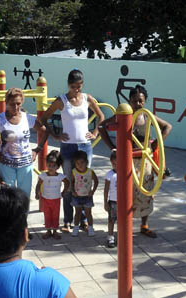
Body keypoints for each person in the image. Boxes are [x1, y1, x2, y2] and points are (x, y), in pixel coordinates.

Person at [99, 85, 172, 238]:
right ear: (129, 101)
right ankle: (126, 228)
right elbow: (101, 126)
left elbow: (167, 127)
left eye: (140, 101)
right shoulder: (124, 115)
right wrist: (113, 147)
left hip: (144, 161)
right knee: (127, 194)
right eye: (134, 101)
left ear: (145, 101)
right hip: (127, 161)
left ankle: (144, 225)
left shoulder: (147, 116)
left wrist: (154, 145)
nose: (137, 104)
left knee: (146, 192)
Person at [36, 69, 105, 232]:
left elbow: (101, 116)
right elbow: (44, 118)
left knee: (84, 182)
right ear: (68, 85)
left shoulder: (87, 98)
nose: (77, 90)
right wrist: (55, 135)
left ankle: (82, 219)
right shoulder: (62, 100)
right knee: (68, 183)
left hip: (85, 146)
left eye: (79, 86)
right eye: (74, 86)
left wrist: (95, 132)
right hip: (67, 147)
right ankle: (67, 220)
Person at [0, 87, 46, 198]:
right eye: (12, 104)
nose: (16, 107)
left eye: (18, 103)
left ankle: (23, 216)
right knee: (7, 197)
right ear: (6, 102)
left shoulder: (27, 118)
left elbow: (45, 131)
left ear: (22, 103)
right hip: (6, 164)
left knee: (24, 197)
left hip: (26, 164)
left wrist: (37, 150)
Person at [35, 150, 69, 239]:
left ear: (57, 167)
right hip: (45, 199)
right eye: (49, 165)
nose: (51, 168)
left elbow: (67, 182)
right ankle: (48, 231)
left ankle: (55, 231)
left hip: (56, 200)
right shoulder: (43, 175)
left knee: (55, 215)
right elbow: (38, 184)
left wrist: (64, 191)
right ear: (46, 165)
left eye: (53, 166)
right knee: (47, 215)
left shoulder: (60, 176)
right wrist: (37, 193)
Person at [70, 150, 98, 237]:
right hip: (77, 197)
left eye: (82, 162)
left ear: (86, 162)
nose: (80, 165)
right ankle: (76, 227)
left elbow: (96, 181)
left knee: (88, 213)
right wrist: (73, 191)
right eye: (77, 163)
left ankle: (90, 227)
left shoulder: (90, 172)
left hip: (87, 196)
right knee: (77, 213)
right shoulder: (74, 172)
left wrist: (92, 191)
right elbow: (71, 182)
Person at [103, 150, 118, 248]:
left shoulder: (127, 173)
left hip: (124, 202)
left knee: (122, 221)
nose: (116, 165)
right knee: (111, 220)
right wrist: (105, 202)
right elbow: (106, 190)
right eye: (113, 164)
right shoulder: (109, 175)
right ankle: (110, 237)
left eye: (118, 163)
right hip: (113, 202)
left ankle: (121, 237)